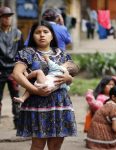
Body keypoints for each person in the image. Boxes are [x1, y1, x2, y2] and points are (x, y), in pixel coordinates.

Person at [12, 20, 78, 150]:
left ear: (52, 35)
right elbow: (17, 74)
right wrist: (35, 90)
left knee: (56, 145)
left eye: (45, 32)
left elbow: (71, 77)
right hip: (37, 104)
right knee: (38, 144)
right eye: (38, 32)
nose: (42, 35)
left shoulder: (62, 54)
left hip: (60, 104)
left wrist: (68, 78)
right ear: (32, 36)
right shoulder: (28, 53)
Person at [13, 55, 79, 103]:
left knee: (38, 72)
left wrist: (47, 58)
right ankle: (23, 98)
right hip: (49, 91)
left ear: (68, 68)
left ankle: (26, 77)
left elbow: (51, 64)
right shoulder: (64, 83)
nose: (62, 64)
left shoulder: (59, 68)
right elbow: (67, 88)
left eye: (64, 64)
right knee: (33, 86)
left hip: (45, 83)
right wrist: (69, 79)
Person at [0, 6, 24, 128]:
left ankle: (18, 122)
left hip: (13, 71)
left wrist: (19, 69)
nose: (7, 19)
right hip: (0, 70)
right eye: (4, 17)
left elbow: (21, 52)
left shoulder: (17, 33)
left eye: (9, 16)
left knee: (15, 97)